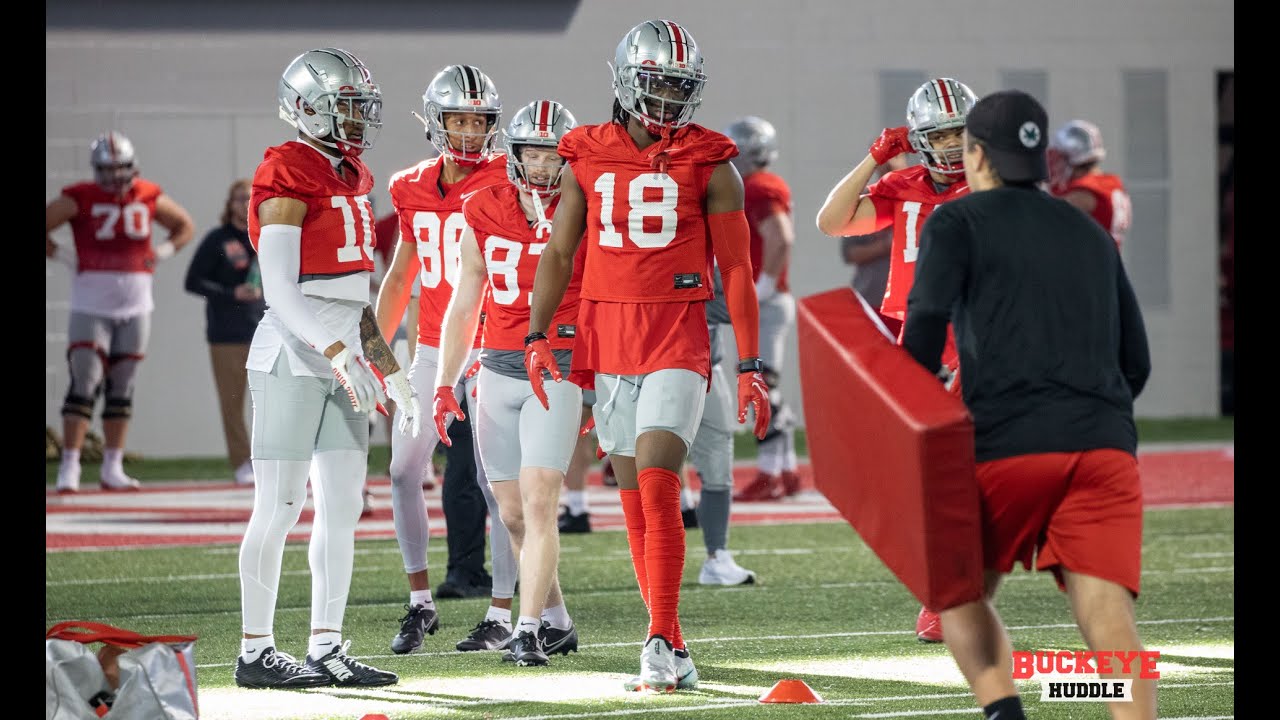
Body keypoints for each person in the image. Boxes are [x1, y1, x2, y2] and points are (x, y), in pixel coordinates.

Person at [524, 19, 771, 691]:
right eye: (658, 84)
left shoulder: (712, 160)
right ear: (628, 80)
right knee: (633, 503)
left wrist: (750, 364)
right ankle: (674, 643)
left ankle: (659, 639)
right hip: (610, 338)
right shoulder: (585, 152)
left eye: (679, 88)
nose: (668, 99)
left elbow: (739, 271)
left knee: (661, 488)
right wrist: (539, 333)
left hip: (676, 335)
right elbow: (559, 252)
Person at [902, 89, 1154, 720]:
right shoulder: (1088, 233)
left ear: (978, 155)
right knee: (1109, 621)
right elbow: (1137, 361)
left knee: (955, 592)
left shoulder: (955, 222)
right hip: (1103, 446)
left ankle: (1005, 709)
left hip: (1005, 443)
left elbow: (924, 333)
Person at [234, 47, 418, 689]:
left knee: (341, 507)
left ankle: (327, 647)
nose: (357, 118)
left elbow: (354, 296)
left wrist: (384, 364)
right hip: (293, 355)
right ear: (306, 106)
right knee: (279, 506)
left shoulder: (353, 176)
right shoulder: (286, 170)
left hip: (346, 361)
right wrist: (340, 355)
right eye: (344, 105)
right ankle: (256, 649)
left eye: (360, 106)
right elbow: (281, 289)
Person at [815, 77, 978, 644]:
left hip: (977, 332)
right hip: (917, 334)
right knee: (921, 475)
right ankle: (945, 594)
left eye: (961, 132)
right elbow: (832, 222)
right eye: (942, 134)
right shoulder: (903, 183)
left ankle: (951, 597)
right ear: (920, 138)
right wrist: (873, 158)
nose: (954, 145)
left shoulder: (993, 187)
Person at [432, 99, 585, 666]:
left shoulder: (587, 208)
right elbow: (465, 297)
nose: (543, 166)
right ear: (515, 153)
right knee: (515, 513)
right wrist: (446, 380)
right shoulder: (481, 206)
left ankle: (526, 630)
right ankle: (557, 621)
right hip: (494, 368)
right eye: (533, 153)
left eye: (553, 154)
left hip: (558, 364)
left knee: (543, 501)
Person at [374, 64, 518, 655]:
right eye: (457, 119)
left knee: (495, 480)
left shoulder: (509, 182)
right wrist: (376, 350)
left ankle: (504, 610)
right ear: (436, 121)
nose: (468, 131)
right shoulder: (409, 184)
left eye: (479, 120)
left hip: (493, 344)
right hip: (433, 344)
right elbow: (403, 271)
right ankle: (419, 603)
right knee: (404, 471)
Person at [46, 130, 197, 494]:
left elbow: (185, 226)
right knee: (84, 381)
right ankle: (70, 465)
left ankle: (112, 466)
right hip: (91, 303)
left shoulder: (146, 193)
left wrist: (160, 254)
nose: (115, 177)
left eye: (120, 168)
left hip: (136, 302)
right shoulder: (80, 196)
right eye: (107, 169)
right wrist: (66, 256)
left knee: (123, 385)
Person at [721, 116, 802, 503]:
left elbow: (781, 237)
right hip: (770, 302)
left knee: (759, 385)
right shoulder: (760, 184)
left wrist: (764, 284)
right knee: (765, 384)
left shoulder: (757, 187)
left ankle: (770, 475)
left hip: (767, 303)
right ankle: (786, 468)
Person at [183, 179, 264, 487]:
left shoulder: (265, 238)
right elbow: (193, 281)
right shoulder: (217, 240)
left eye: (250, 198)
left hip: (262, 331)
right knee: (232, 402)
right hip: (226, 335)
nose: (244, 205)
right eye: (239, 199)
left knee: (269, 403)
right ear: (229, 204)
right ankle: (242, 462)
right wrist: (232, 293)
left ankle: (267, 461)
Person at [689, 266, 759, 586]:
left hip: (707, 367)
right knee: (641, 467)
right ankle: (650, 559)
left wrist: (687, 300)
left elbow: (735, 303)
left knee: (718, 465)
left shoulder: (707, 250)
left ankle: (717, 555)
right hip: (649, 369)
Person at [841, 153, 910, 339]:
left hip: (911, 304)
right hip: (871, 301)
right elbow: (850, 253)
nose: (889, 163)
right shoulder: (864, 199)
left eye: (895, 157)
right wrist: (886, 246)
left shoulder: (921, 197)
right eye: (884, 159)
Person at [1047, 119, 1132, 250]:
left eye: (1060, 158)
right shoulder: (1112, 184)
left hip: (1090, 265)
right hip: (1109, 263)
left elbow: (1043, 221)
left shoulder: (1083, 193)